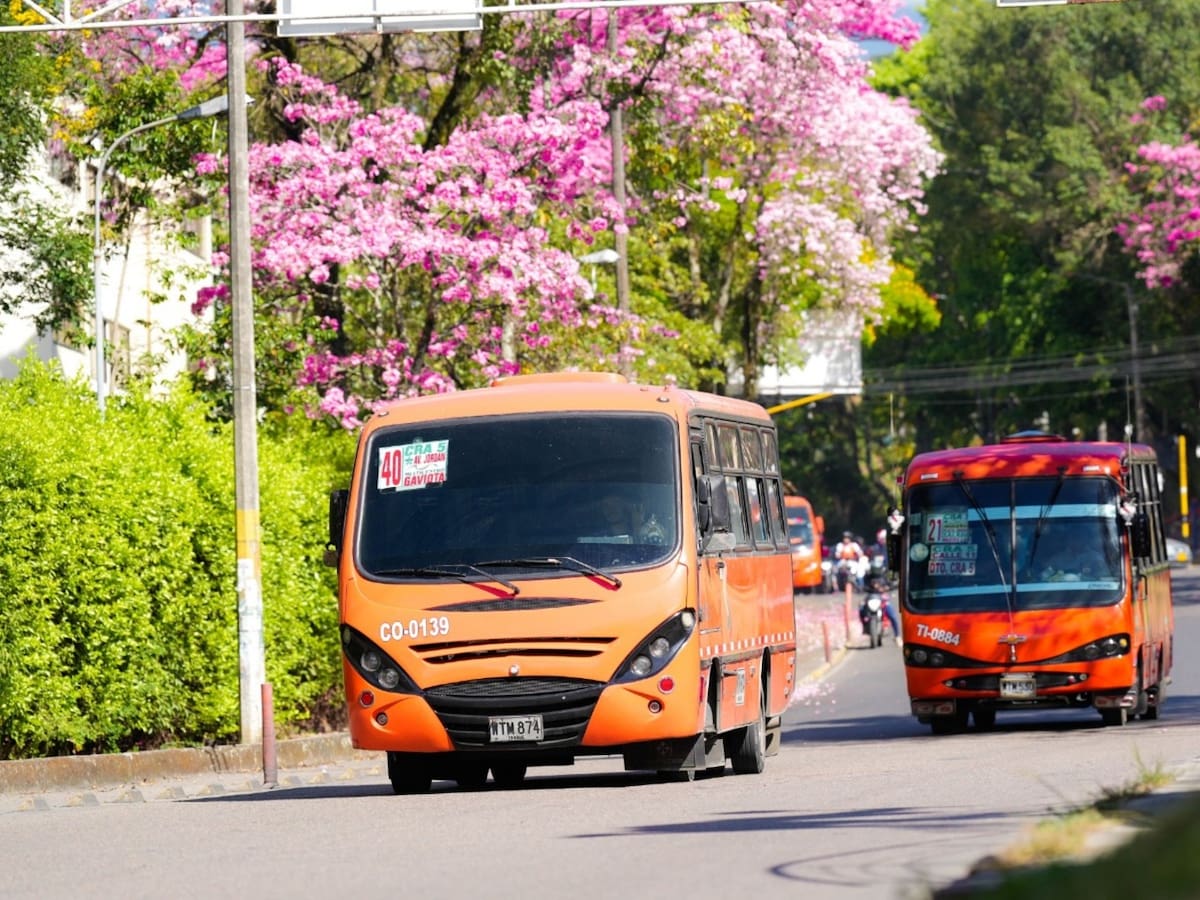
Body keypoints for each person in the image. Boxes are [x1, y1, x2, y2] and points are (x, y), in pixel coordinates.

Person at [864, 561, 902, 646]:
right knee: (861, 610)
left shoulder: (885, 576)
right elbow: (862, 586)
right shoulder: (867, 577)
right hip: (871, 597)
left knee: (892, 616)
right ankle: (865, 628)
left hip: (882, 599)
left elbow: (891, 584)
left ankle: (897, 636)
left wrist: (887, 587)